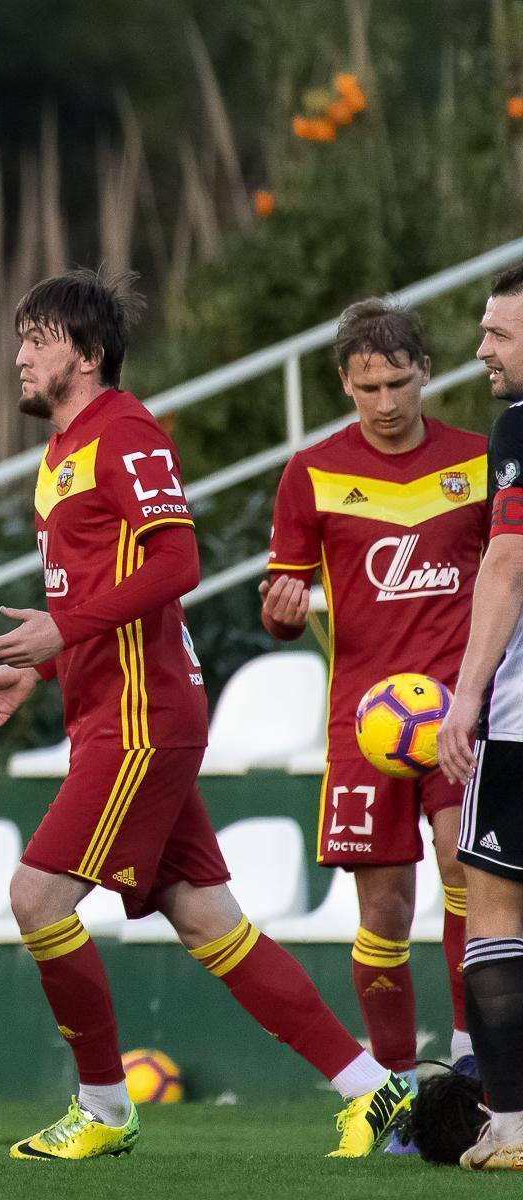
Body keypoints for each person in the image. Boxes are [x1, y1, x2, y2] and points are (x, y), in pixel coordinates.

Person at [0, 268, 409, 1159]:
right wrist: (39, 670)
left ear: (88, 355)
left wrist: (61, 632)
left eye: (38, 341)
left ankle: (105, 1107)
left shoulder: (124, 431)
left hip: (141, 719)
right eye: (21, 341)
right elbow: (98, 593)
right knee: (209, 920)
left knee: (36, 897)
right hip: (109, 710)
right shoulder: (61, 454)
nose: (20, 358)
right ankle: (375, 1087)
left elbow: (177, 564)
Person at [260, 299, 480, 1119]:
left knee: (464, 866)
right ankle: (395, 1090)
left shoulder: (479, 462)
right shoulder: (311, 473)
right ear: (343, 384)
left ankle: (474, 1059)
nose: (385, 403)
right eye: (368, 387)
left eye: (398, 382)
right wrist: (282, 614)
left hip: (460, 714)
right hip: (366, 726)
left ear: (426, 371)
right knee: (384, 909)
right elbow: (283, 607)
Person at [434, 263, 523, 1171]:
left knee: (494, 905)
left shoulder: (519, 428)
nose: (481, 350)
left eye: (498, 333)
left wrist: (466, 697)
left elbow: (506, 561)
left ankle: (515, 1126)